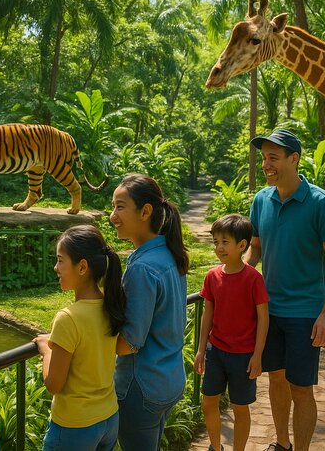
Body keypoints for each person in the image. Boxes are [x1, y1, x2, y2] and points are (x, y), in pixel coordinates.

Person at [244, 129, 325, 451]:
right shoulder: (261, 200)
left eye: (273, 158)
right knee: (275, 378)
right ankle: (282, 443)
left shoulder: (321, 203)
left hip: (305, 312)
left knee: (301, 388)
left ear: (294, 159)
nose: (266, 165)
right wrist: (233, 272)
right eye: (263, 158)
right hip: (269, 310)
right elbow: (255, 249)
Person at [110, 173, 189, 450]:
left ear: (145, 212)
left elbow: (129, 343)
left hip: (141, 388)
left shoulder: (142, 267)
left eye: (120, 206)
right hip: (168, 380)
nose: (112, 216)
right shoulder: (169, 254)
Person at [32, 224, 126, 451]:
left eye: (60, 260)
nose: (56, 267)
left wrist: (46, 349)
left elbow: (54, 384)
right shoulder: (110, 304)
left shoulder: (68, 318)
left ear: (82, 266)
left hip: (75, 426)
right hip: (109, 417)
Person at [195, 213, 270, 451]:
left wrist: (258, 355)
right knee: (208, 402)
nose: (219, 247)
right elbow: (208, 314)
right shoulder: (212, 276)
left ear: (242, 245)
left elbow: (263, 318)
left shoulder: (253, 279)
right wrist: (200, 349)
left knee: (240, 408)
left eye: (224, 242)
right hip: (215, 351)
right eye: (216, 241)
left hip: (243, 356)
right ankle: (215, 447)